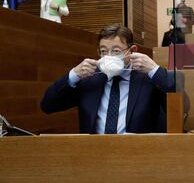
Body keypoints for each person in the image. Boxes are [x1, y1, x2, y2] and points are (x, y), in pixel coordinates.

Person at [41, 23, 173, 134]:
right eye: (104, 51)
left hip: (138, 154)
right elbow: (48, 105)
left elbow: (181, 107)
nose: (109, 56)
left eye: (116, 51)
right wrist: (74, 75)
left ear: (132, 50)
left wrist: (155, 71)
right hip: (95, 154)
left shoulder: (148, 80)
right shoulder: (89, 80)